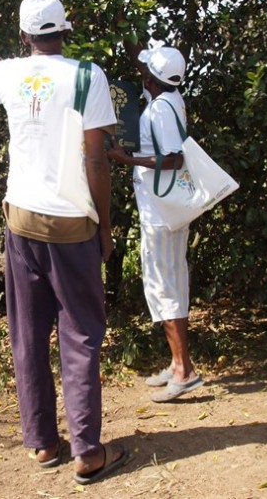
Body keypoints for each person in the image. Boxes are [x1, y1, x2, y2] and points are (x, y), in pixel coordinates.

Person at [0, 0, 129, 484]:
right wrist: (104, 227)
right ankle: (87, 453)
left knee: (28, 332)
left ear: (25, 37)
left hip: (21, 220)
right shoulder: (87, 76)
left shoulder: (10, 73)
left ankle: (43, 444)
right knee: (80, 335)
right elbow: (97, 160)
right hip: (70, 226)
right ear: (65, 31)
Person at [106, 44, 204, 403]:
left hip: (161, 213)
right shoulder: (171, 96)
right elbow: (150, 69)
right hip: (163, 211)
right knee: (166, 281)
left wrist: (126, 157)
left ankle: (185, 370)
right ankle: (176, 363)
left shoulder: (160, 110)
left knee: (166, 286)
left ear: (151, 79)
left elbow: (175, 158)